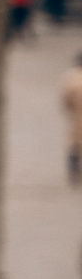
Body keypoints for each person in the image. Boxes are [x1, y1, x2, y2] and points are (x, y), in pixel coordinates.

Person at [63, 50, 82, 184]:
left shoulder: (72, 76)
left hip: (76, 114)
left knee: (74, 143)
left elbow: (65, 98)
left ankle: (73, 171)